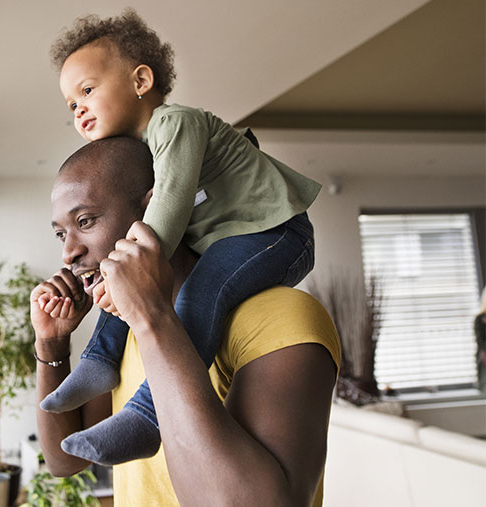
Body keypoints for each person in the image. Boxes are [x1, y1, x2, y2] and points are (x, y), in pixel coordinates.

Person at [40, 9, 323, 466]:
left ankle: (147, 418)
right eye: (72, 104)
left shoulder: (174, 123)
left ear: (141, 80)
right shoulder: (145, 152)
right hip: (231, 239)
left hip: (275, 233)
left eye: (87, 90)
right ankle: (98, 360)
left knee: (190, 288)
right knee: (124, 270)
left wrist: (124, 277)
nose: (79, 108)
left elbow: (167, 206)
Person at [31, 137, 340, 505]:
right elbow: (65, 460)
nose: (69, 252)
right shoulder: (128, 328)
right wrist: (51, 345)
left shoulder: (281, 318)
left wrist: (152, 320)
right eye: (61, 234)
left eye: (86, 221)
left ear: (155, 210)